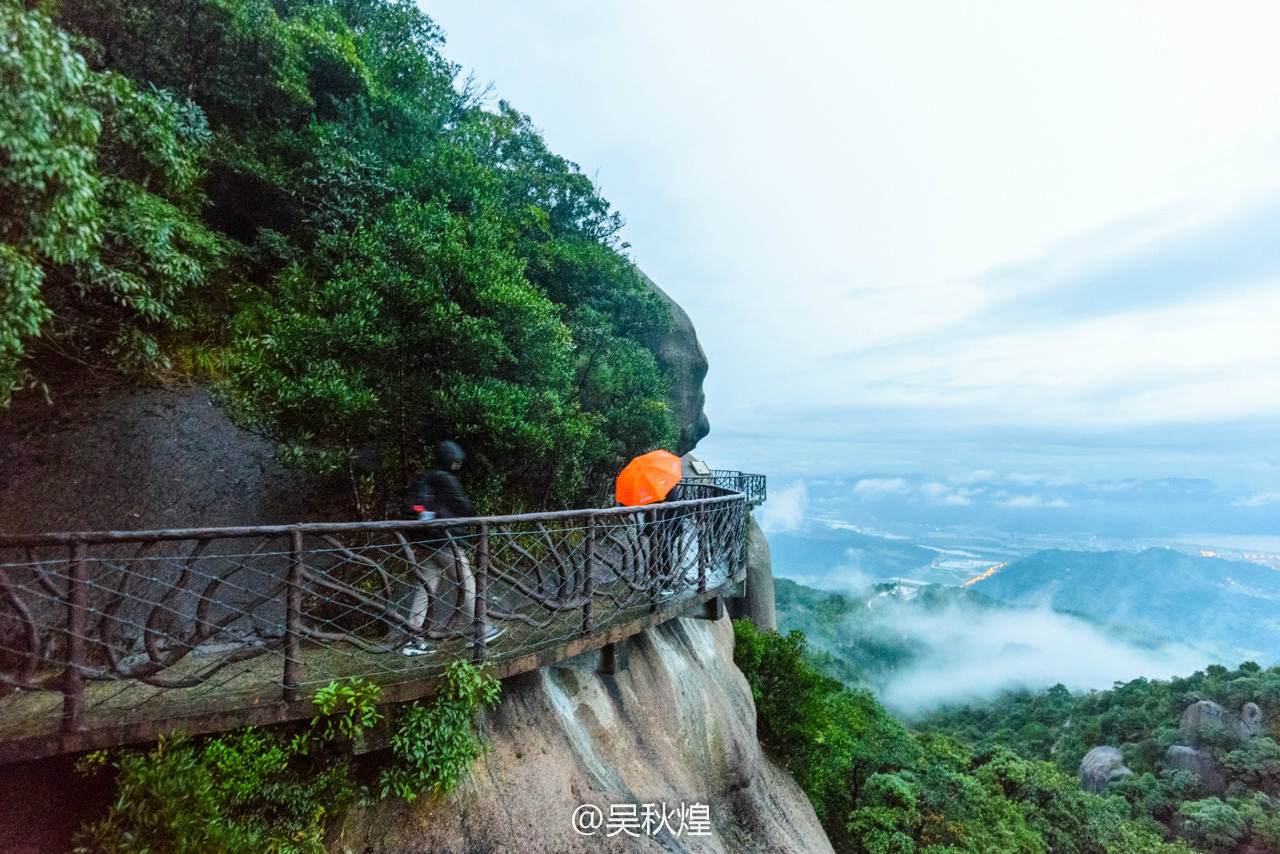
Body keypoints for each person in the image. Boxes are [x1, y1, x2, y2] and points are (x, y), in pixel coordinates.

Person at [402, 440, 476, 655]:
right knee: (466, 582)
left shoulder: (427, 478)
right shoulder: (445, 479)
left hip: (426, 542)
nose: (457, 465)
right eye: (456, 461)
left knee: (425, 590)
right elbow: (464, 506)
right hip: (446, 543)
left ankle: (413, 641)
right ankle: (480, 629)